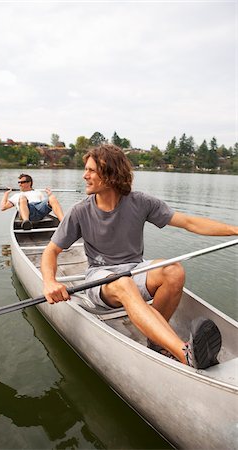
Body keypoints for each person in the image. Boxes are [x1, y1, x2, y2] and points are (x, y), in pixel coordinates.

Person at [41, 145, 238, 369]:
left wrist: (235, 230)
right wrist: (50, 282)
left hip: (135, 269)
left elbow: (189, 222)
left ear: (111, 173)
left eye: (91, 170)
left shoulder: (141, 202)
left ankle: (156, 340)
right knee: (123, 283)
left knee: (173, 270)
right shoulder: (80, 211)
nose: (84, 176)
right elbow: (51, 251)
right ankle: (185, 353)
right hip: (100, 279)